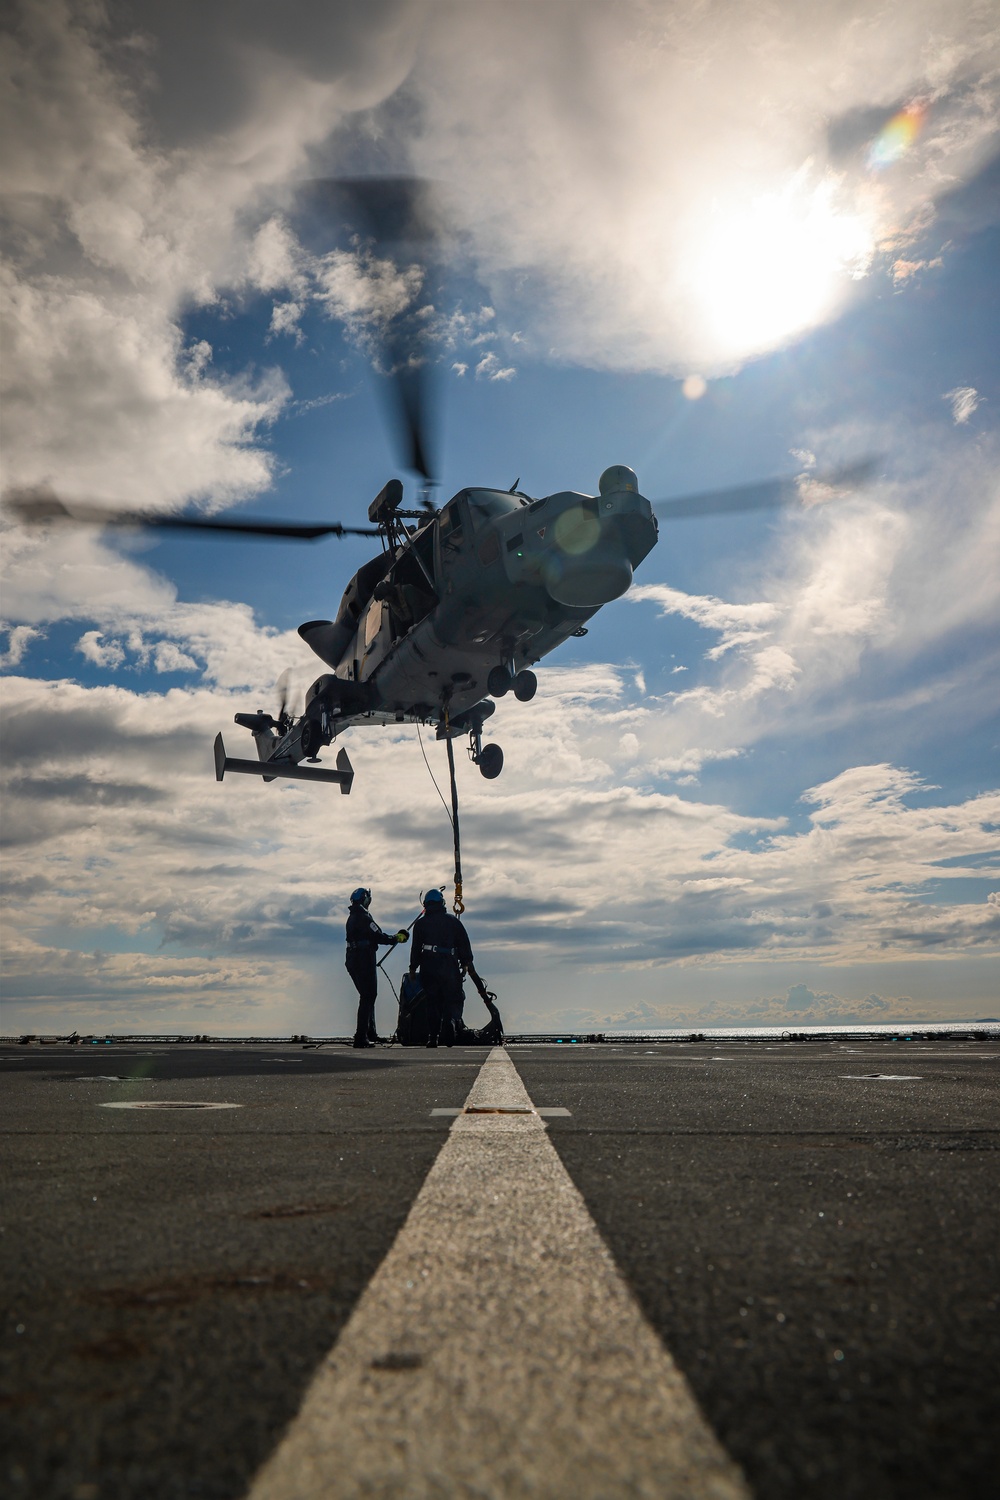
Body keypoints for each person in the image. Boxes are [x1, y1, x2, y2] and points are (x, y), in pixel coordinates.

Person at [409, 887, 487, 1048]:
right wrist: (466, 962)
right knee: (452, 998)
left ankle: (433, 1037)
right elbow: (464, 943)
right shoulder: (453, 921)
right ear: (442, 902)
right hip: (448, 965)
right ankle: (450, 1022)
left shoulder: (421, 924)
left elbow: (416, 948)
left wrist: (412, 967)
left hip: (429, 965)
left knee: (432, 1001)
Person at [345, 888, 406, 1049]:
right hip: (363, 960)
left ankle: (369, 1033)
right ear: (366, 900)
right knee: (368, 996)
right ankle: (361, 1036)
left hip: (352, 959)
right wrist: (396, 938)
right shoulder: (364, 917)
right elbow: (379, 936)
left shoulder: (352, 917)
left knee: (367, 996)